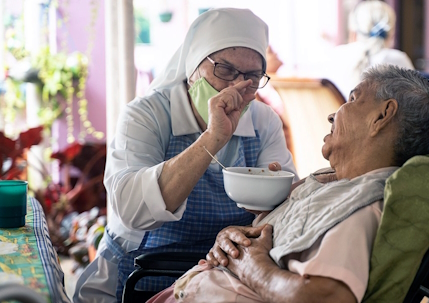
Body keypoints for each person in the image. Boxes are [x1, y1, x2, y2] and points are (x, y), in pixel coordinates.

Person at [146, 64, 429, 303]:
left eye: (352, 99)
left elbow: (325, 298)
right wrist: (233, 239)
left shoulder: (360, 203)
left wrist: (253, 268)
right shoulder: (329, 184)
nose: (332, 114)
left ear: (382, 115)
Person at [72, 8, 298, 303]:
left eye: (252, 76)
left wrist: (273, 196)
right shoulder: (146, 116)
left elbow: (285, 212)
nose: (236, 87)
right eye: (225, 70)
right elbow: (130, 210)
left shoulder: (263, 121)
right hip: (137, 277)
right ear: (193, 68)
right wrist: (212, 139)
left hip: (218, 279)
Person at [323, 0, 414, 100]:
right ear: (391, 32)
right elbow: (417, 107)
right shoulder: (398, 60)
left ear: (354, 30)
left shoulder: (334, 56)